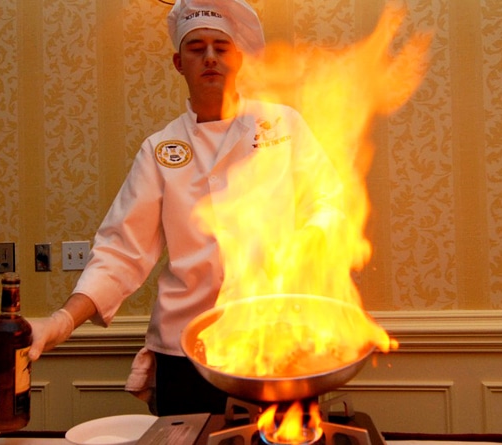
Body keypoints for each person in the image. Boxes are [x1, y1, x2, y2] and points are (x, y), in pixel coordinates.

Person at [28, 0, 343, 416]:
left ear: (239, 58)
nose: (210, 57)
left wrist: (309, 241)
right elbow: (121, 251)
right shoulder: (161, 149)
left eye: (221, 46)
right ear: (179, 62)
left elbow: (330, 203)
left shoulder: (282, 126)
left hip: (276, 340)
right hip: (186, 351)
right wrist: (60, 322)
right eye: (196, 48)